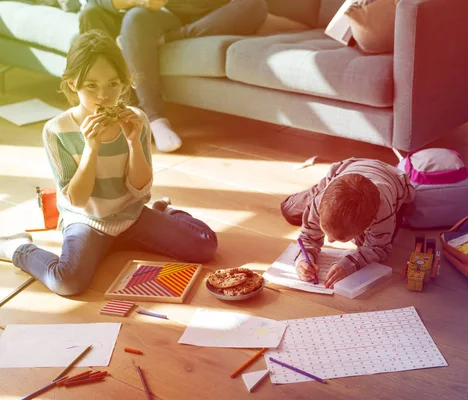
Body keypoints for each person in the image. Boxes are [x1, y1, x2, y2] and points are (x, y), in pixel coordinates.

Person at [0, 31, 218, 296]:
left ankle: (167, 212)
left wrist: (134, 141)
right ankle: (19, 248)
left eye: (113, 84)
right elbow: (78, 200)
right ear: (72, 84)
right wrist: (91, 149)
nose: (103, 95)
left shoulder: (135, 119)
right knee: (67, 282)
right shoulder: (57, 130)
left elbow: (139, 189)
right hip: (87, 221)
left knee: (206, 246)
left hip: (131, 214)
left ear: (125, 84)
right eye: (91, 86)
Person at [79, 0, 268, 152]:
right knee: (118, 15)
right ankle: (148, 117)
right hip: (163, 15)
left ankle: (171, 38)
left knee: (255, 5)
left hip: (213, 12)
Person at [280, 158, 415, 288]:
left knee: (369, 244)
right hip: (344, 170)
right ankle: (321, 187)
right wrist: (303, 259)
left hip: (392, 180)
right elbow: (307, 238)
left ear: (370, 224)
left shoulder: (383, 212)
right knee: (289, 210)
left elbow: (378, 249)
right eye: (324, 229)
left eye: (340, 239)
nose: (330, 240)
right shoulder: (320, 201)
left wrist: (349, 265)